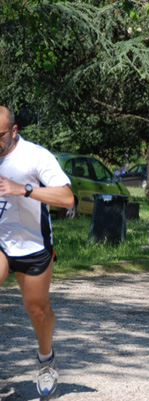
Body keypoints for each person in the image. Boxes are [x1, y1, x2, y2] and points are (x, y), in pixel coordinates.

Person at [0, 106, 75, 397]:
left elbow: (68, 198)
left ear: (14, 131)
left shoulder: (36, 157)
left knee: (37, 310)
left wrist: (25, 189)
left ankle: (46, 359)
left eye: (0, 135)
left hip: (32, 244)